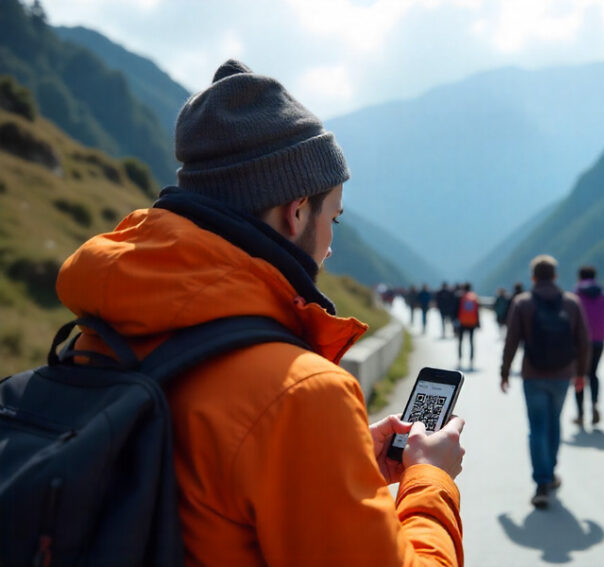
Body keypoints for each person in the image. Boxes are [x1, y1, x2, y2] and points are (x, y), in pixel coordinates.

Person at [54, 60, 466, 567]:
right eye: (332, 217)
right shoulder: (299, 395)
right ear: (295, 213)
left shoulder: (101, 329)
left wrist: (341, 461)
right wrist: (431, 479)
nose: (331, 245)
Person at [500, 255, 590, 509]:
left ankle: (541, 482)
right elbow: (583, 342)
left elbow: (512, 341)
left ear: (533, 277)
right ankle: (550, 473)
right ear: (556, 276)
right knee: (554, 423)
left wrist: (504, 372)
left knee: (537, 427)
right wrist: (581, 374)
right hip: (563, 375)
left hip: (533, 374)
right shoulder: (572, 303)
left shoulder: (522, 303)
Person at [572, 266, 604, 426]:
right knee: (593, 373)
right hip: (599, 340)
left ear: (580, 277)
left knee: (579, 374)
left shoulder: (576, 294)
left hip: (579, 341)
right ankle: (594, 404)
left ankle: (580, 414)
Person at [456, 282, 480, 369]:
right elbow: (477, 311)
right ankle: (471, 361)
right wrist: (478, 323)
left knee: (460, 341)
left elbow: (456, 309)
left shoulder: (461, 296)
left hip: (462, 322)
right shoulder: (474, 297)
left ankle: (459, 359)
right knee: (471, 342)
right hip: (472, 322)